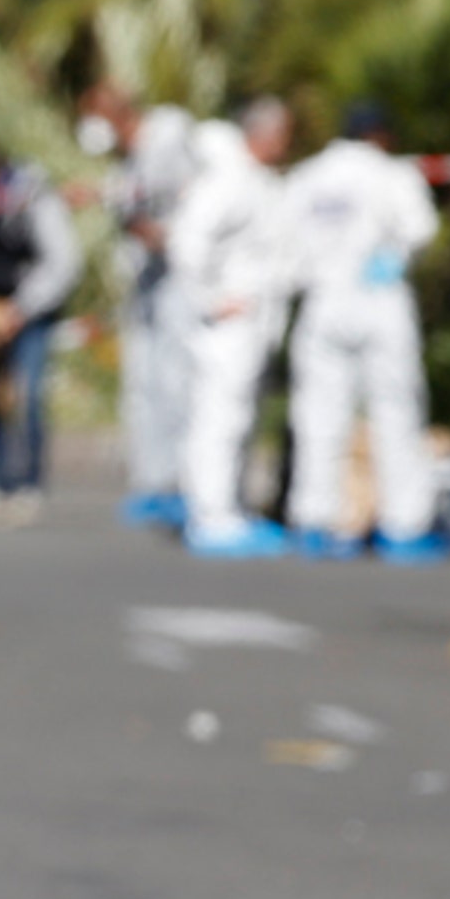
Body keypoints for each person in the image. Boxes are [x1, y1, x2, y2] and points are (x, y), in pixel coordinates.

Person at [282, 103, 449, 564]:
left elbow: (286, 245)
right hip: (380, 302)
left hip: (322, 303)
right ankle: (404, 527)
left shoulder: (306, 176)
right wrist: (386, 259)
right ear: (380, 135)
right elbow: (420, 230)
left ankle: (315, 521)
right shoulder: (391, 173)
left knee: (319, 415)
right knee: (396, 413)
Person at [168, 98, 294, 558]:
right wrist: (212, 300)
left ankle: (229, 508)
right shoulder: (228, 180)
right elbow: (187, 242)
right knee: (218, 417)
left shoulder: (258, 181)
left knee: (240, 417)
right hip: (227, 325)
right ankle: (210, 514)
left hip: (252, 322)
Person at [77, 81, 202, 528]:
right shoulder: (125, 163)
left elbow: (190, 199)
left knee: (177, 382)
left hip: (183, 279)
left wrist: (161, 232)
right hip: (147, 282)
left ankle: (187, 483)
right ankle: (152, 481)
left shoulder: (170, 135)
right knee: (143, 383)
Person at [0, 148, 82, 528]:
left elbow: (62, 262)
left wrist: (20, 310)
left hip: (29, 315)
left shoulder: (33, 197)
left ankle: (28, 483)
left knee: (27, 395)